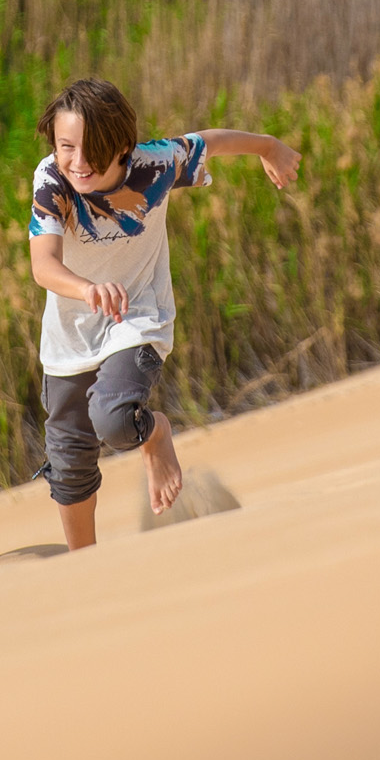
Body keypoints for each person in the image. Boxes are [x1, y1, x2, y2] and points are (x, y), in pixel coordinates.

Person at [28, 77, 300, 550]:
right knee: (69, 464)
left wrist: (268, 146)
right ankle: (83, 565)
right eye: (66, 146)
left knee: (114, 419)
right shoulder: (52, 179)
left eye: (93, 148)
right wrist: (87, 289)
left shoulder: (154, 164)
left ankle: (154, 436)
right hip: (68, 338)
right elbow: (43, 265)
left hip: (136, 320)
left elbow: (210, 142)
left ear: (122, 146)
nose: (78, 161)